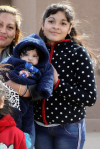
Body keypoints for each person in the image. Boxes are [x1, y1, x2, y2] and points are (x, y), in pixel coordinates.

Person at [34, 3, 97, 149]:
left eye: (63, 23)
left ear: (69, 29)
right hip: (39, 127)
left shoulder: (78, 53)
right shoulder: (34, 50)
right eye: (51, 21)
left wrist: (57, 84)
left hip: (68, 128)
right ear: (43, 25)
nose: (56, 26)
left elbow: (89, 97)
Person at [0, 33, 54, 148]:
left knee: (28, 121)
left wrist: (44, 89)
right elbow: (1, 69)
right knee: (12, 119)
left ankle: (26, 140)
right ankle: (9, 141)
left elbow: (48, 79)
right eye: (27, 55)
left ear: (40, 58)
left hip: (28, 101)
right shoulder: (13, 60)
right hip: (11, 99)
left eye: (34, 56)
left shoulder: (43, 67)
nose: (30, 58)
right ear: (20, 55)